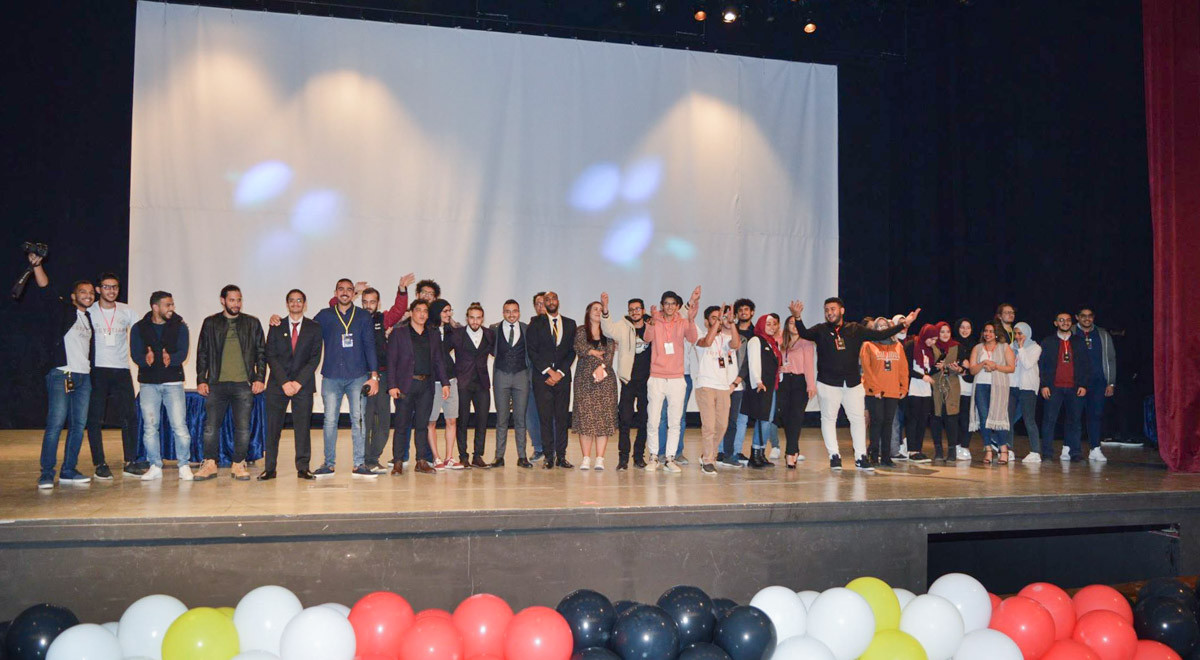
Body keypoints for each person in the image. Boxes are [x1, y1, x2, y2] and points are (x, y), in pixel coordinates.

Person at [792, 298, 919, 471]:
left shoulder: (855, 329)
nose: (829, 312)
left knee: (858, 420)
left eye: (833, 309)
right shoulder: (821, 330)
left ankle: (860, 457)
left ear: (842, 310)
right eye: (826, 310)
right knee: (829, 419)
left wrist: (904, 324)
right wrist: (797, 317)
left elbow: (880, 335)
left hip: (852, 384)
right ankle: (834, 456)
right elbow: (805, 333)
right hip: (828, 383)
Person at [31, 254, 95, 489]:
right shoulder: (64, 311)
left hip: (83, 377)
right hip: (62, 374)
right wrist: (37, 265)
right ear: (73, 296)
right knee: (56, 424)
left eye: (91, 292)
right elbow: (46, 289)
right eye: (83, 292)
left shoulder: (88, 318)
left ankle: (68, 470)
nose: (88, 295)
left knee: (78, 426)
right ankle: (47, 473)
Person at [194, 285, 267, 481]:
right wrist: (201, 379)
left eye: (239, 300)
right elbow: (202, 353)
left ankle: (238, 463)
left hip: (243, 384)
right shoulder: (210, 323)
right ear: (222, 300)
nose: (236, 304)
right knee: (211, 427)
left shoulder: (252, 323)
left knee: (242, 427)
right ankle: (210, 464)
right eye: (232, 300)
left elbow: (261, 353)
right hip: (216, 383)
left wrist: (259, 378)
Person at [311, 279, 379, 479]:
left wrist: (374, 376)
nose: (345, 292)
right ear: (335, 293)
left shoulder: (363, 316)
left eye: (349, 290)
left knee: (358, 420)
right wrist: (279, 320)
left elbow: (370, 346)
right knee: (330, 421)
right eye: (341, 289)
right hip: (331, 376)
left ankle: (359, 464)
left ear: (353, 294)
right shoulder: (325, 315)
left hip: (358, 376)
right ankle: (328, 464)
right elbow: (306, 329)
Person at [130, 291, 194, 481]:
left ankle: (184, 465)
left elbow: (182, 353)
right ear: (155, 307)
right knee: (150, 427)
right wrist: (145, 359)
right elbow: (135, 354)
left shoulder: (180, 326)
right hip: (148, 383)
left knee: (179, 426)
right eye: (168, 305)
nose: (171, 308)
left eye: (172, 304)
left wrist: (170, 359)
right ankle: (154, 465)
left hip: (173, 382)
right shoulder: (139, 328)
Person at [261, 289, 323, 480]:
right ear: (287, 304)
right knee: (273, 428)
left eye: (299, 300)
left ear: (305, 304)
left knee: (302, 428)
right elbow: (270, 355)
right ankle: (270, 468)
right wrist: (285, 382)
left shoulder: (314, 327)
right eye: (292, 300)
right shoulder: (276, 325)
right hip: (278, 385)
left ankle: (303, 468)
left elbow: (314, 358)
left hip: (302, 386)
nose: (295, 303)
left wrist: (297, 382)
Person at [87, 273, 142, 479]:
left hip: (121, 369)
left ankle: (130, 461)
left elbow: (142, 332)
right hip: (97, 369)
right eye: (107, 287)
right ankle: (100, 463)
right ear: (98, 289)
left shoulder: (127, 311)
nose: (111, 291)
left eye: (115, 287)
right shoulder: (89, 311)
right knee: (95, 418)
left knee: (129, 416)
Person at [387, 299, 450, 475]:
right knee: (401, 425)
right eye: (418, 310)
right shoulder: (399, 333)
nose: (422, 314)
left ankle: (421, 461)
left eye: (425, 311)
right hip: (405, 386)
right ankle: (398, 461)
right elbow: (391, 361)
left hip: (426, 386)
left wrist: (445, 383)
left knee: (423, 425)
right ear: (411, 313)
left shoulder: (433, 334)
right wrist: (392, 385)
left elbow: (438, 360)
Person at [644, 287, 701, 472]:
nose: (669, 307)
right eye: (666, 304)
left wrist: (691, 319)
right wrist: (651, 323)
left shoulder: (683, 322)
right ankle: (653, 456)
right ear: (662, 305)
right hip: (657, 377)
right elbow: (647, 338)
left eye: (673, 304)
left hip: (677, 378)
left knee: (675, 422)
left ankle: (670, 458)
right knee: (653, 420)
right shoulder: (655, 320)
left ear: (677, 306)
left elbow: (692, 338)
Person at [528, 291, 577, 469]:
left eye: (553, 298)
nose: (550, 302)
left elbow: (572, 351)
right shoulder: (535, 324)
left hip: (562, 379)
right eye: (546, 300)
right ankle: (549, 457)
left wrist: (560, 373)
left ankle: (561, 457)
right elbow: (532, 351)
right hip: (543, 379)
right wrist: (549, 372)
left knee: (562, 419)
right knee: (545, 418)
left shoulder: (570, 324)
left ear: (558, 301)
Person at [600, 295, 650, 471]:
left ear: (643, 311)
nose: (634, 312)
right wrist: (605, 308)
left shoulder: (651, 327)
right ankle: (623, 459)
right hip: (628, 381)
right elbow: (608, 330)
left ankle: (639, 456)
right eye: (631, 309)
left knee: (644, 421)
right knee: (625, 421)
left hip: (647, 382)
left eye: (637, 309)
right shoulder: (623, 326)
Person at [1039, 311, 1093, 462]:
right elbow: (1042, 365)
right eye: (1061, 320)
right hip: (1053, 388)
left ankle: (1075, 453)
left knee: (1075, 421)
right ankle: (1047, 453)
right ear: (1056, 323)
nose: (1065, 323)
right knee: (1049, 421)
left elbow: (1086, 365)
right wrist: (1044, 385)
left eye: (1068, 320)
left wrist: (1083, 384)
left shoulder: (1079, 342)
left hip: (1074, 388)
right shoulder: (1048, 341)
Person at [693, 305, 740, 474]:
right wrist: (719, 321)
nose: (718, 321)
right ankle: (708, 460)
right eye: (714, 318)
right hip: (705, 386)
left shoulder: (725, 338)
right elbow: (707, 342)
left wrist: (732, 323)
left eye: (720, 318)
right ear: (706, 322)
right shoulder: (699, 337)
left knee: (722, 425)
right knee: (709, 426)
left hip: (723, 387)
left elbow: (736, 344)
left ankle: (707, 454)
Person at [448, 303, 494, 469]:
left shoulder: (489, 334)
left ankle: (478, 456)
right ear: (467, 318)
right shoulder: (457, 334)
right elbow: (442, 353)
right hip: (462, 383)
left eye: (478, 318)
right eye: (472, 318)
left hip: (482, 383)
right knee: (463, 420)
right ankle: (463, 456)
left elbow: (498, 353)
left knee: (482, 420)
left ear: (482, 318)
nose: (475, 321)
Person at [573, 301, 618, 470]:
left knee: (603, 419)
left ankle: (600, 458)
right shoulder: (581, 331)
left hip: (605, 380)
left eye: (601, 309)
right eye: (595, 309)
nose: (598, 312)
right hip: (584, 380)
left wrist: (601, 367)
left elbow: (610, 353)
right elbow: (579, 347)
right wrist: (592, 351)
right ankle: (586, 458)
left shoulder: (608, 332)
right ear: (588, 312)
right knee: (585, 419)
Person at [860, 317, 909, 466]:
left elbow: (903, 368)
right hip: (874, 392)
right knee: (876, 422)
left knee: (888, 423)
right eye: (879, 326)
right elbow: (866, 369)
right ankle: (874, 455)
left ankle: (886, 457)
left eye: (885, 325)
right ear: (874, 329)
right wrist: (874, 388)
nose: (882, 328)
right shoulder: (868, 345)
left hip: (892, 391)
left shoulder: (898, 346)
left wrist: (904, 387)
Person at [491, 299, 532, 468]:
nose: (511, 314)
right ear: (503, 313)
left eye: (514, 311)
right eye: (507, 311)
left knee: (520, 419)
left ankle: (522, 457)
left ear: (519, 312)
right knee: (502, 418)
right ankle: (499, 457)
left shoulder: (526, 329)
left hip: (521, 375)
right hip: (501, 375)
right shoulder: (494, 329)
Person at [968, 322, 1016, 464]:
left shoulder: (1004, 347)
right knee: (984, 418)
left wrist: (995, 366)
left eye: (991, 331)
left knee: (999, 417)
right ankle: (988, 449)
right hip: (981, 386)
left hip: (999, 386)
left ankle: (1003, 450)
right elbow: (972, 370)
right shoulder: (977, 348)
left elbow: (1011, 368)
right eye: (986, 331)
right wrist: (983, 363)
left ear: (996, 333)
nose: (987, 334)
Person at [1074, 307, 1116, 461]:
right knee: (1074, 416)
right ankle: (1072, 449)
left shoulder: (1102, 334)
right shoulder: (1071, 332)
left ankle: (1095, 448)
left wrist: (1111, 382)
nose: (1087, 319)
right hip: (1076, 383)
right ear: (1077, 317)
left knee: (1096, 415)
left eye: (1090, 316)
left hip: (1098, 382)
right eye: (1083, 316)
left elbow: (1110, 359)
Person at [743, 313, 783, 469]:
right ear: (761, 325)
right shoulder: (756, 340)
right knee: (762, 419)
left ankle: (761, 453)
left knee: (768, 419)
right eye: (768, 324)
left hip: (771, 386)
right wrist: (758, 381)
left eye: (774, 324)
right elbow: (753, 362)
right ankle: (755, 455)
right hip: (761, 385)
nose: (772, 327)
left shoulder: (772, 343)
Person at [777, 315, 816, 468]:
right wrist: (780, 368)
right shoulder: (782, 342)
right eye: (790, 323)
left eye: (795, 323)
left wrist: (811, 385)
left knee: (796, 417)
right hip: (784, 381)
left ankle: (790, 452)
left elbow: (809, 365)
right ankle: (794, 449)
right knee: (785, 417)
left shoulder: (806, 342)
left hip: (800, 382)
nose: (793, 326)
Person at [721, 298, 756, 466]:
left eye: (746, 309)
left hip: (743, 382)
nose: (743, 313)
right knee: (722, 419)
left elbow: (747, 362)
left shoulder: (752, 336)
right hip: (724, 383)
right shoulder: (719, 336)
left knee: (740, 419)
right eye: (740, 310)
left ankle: (735, 451)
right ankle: (720, 452)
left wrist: (737, 382)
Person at [427, 299, 460, 469]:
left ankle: (449, 457)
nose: (448, 314)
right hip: (434, 381)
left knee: (451, 420)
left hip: (451, 379)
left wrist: (452, 325)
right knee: (431, 421)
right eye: (445, 311)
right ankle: (436, 457)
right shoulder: (428, 330)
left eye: (450, 310)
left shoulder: (450, 330)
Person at [1009, 322, 1044, 463]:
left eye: (1020, 333)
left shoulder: (1035, 347)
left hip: (1028, 387)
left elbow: (1028, 364)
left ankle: (1035, 452)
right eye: (1015, 334)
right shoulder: (1011, 347)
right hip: (1013, 386)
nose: (1017, 336)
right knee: (1008, 419)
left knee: (1029, 419)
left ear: (1027, 333)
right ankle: (1008, 450)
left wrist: (1021, 348)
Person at [929, 322, 962, 463]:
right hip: (935, 386)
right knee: (936, 417)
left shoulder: (957, 346)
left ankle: (952, 451)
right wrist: (940, 367)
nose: (945, 334)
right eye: (942, 332)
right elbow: (930, 368)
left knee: (952, 418)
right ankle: (938, 451)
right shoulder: (931, 346)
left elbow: (963, 368)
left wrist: (954, 368)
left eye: (947, 331)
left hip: (952, 386)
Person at [905, 324, 938, 463]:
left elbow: (928, 370)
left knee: (923, 420)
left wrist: (937, 368)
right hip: (913, 387)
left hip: (925, 389)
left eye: (935, 340)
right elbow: (906, 368)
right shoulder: (912, 345)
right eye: (931, 339)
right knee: (913, 419)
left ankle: (918, 449)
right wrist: (921, 376)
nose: (932, 342)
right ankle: (911, 450)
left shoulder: (930, 350)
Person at [527, 292, 547, 462]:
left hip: (552, 377)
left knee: (551, 415)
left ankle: (552, 449)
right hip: (533, 376)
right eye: (538, 304)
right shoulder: (530, 326)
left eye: (544, 302)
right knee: (532, 414)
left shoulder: (560, 325)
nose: (541, 306)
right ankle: (538, 448)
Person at [953, 318, 976, 461]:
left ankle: (965, 445)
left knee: (966, 417)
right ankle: (955, 445)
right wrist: (962, 366)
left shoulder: (976, 346)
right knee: (954, 416)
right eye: (962, 327)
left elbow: (975, 366)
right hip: (954, 385)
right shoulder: (952, 344)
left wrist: (968, 368)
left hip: (970, 385)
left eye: (968, 327)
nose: (965, 330)